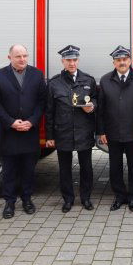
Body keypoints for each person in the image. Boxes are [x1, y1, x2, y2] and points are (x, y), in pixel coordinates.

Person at [0, 44, 47, 219]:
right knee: (9, 170)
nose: (22, 59)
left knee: (28, 169)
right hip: (10, 132)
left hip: (30, 131)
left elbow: (41, 102)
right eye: (18, 56)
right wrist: (11, 122)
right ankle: (9, 202)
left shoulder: (37, 74)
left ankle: (27, 200)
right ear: (10, 58)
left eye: (25, 56)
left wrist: (31, 121)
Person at [46, 45, 98, 213]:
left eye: (74, 60)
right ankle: (68, 199)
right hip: (63, 132)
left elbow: (97, 100)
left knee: (87, 168)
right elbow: (49, 111)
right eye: (68, 60)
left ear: (78, 60)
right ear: (62, 61)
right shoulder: (54, 83)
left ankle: (86, 198)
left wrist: (92, 106)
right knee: (65, 169)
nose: (72, 63)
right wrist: (49, 135)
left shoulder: (88, 80)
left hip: (84, 131)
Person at [97, 45, 133, 212]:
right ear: (114, 63)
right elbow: (101, 109)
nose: (122, 62)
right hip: (112, 133)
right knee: (115, 167)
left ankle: (132, 197)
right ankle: (119, 196)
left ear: (130, 61)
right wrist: (101, 131)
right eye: (118, 60)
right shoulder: (105, 80)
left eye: (125, 59)